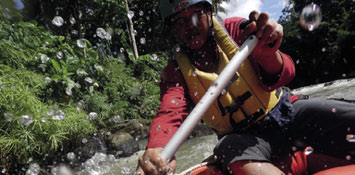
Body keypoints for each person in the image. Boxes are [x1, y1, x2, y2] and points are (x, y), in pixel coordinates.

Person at [136, 0, 355, 174]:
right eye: (180, 22)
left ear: (208, 13)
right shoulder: (176, 72)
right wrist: (156, 148)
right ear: (173, 30)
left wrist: (267, 53)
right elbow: (169, 111)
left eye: (195, 15)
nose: (190, 27)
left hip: (285, 113)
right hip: (243, 140)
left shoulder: (235, 30)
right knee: (227, 148)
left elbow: (285, 74)